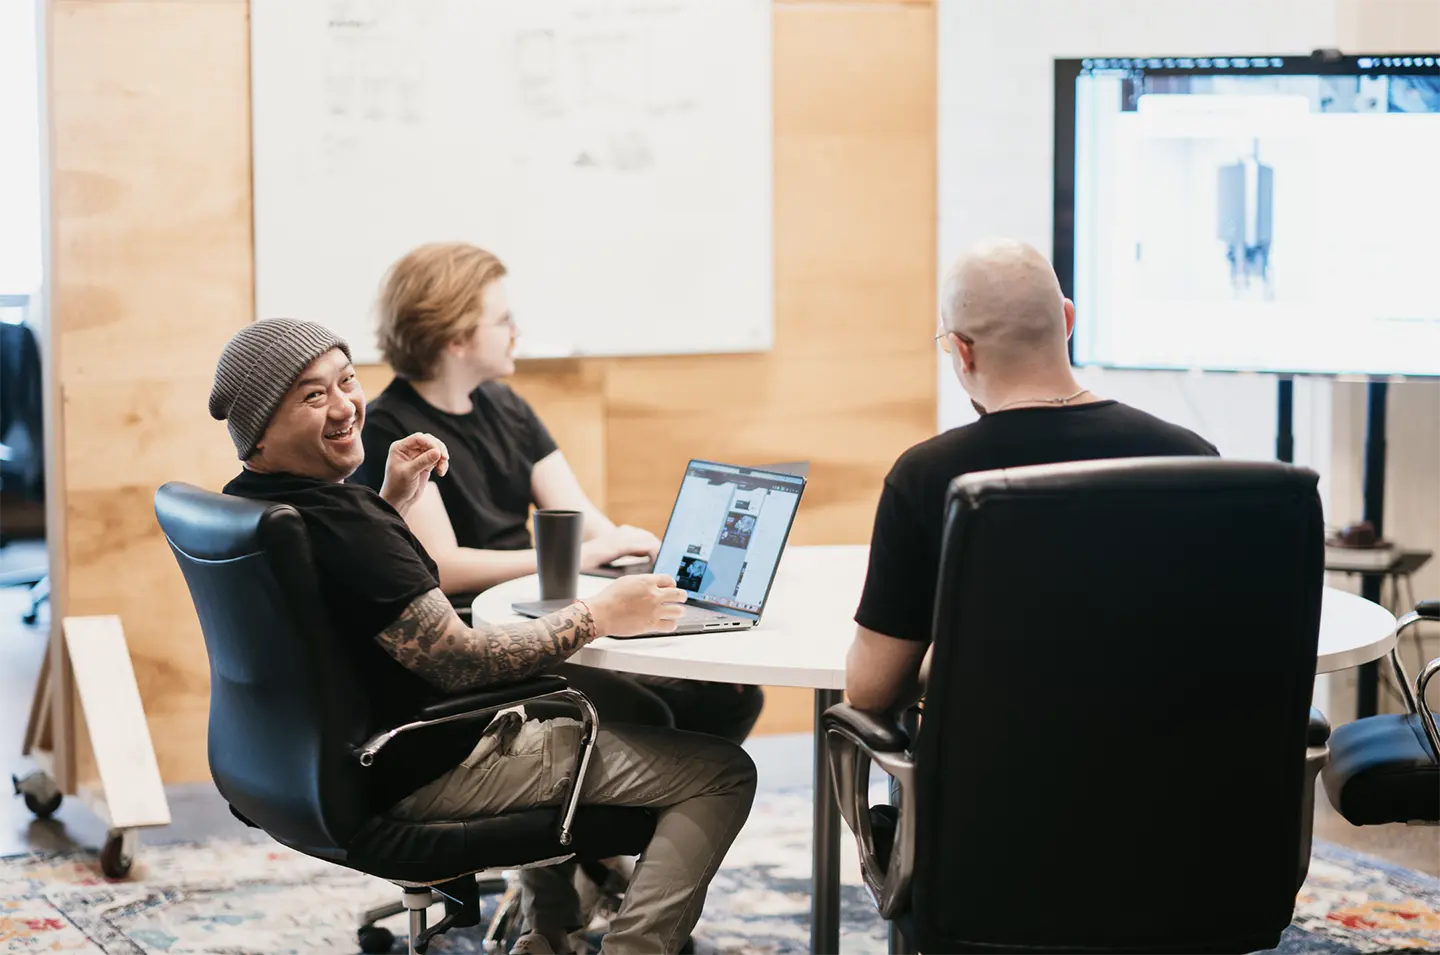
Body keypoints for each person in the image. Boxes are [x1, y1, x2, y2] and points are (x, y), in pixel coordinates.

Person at [209, 318, 757, 955]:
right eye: (311, 396)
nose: (344, 406)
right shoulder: (346, 524)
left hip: (312, 767)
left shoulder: (251, 505)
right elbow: (461, 663)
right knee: (720, 773)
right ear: (260, 425)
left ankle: (550, 933)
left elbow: (347, 600)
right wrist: (601, 613)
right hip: (419, 769)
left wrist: (392, 498)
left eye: (347, 380)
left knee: (561, 713)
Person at [353, 242, 764, 744]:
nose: (516, 332)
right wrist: (588, 554)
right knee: (648, 713)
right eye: (503, 320)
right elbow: (445, 565)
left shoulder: (506, 406)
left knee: (723, 695)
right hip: (484, 633)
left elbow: (581, 518)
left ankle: (662, 811)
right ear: (455, 338)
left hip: (537, 609)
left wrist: (646, 564)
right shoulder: (391, 429)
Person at [845, 239, 1219, 713]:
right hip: (1174, 774)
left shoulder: (926, 476)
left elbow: (872, 689)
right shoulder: (1192, 460)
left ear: (962, 351)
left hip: (994, 782)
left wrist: (939, 658)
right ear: (1067, 321)